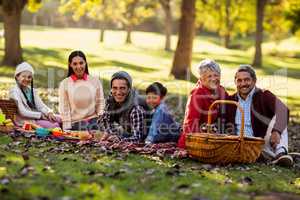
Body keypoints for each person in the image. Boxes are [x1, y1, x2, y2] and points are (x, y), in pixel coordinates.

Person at [225, 65, 293, 167]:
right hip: (239, 143)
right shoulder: (230, 100)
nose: (243, 84)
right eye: (239, 80)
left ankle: (280, 154)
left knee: (280, 120)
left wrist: (276, 131)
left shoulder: (264, 95)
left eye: (247, 80)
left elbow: (283, 110)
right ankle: (266, 157)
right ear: (235, 82)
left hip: (260, 142)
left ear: (254, 80)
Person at [178, 59, 228, 148]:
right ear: (201, 79)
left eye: (216, 75)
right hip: (199, 138)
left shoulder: (221, 90)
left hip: (215, 135)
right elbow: (191, 122)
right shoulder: (197, 94)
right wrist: (192, 143)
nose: (213, 79)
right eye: (209, 76)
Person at [58, 50, 105, 130]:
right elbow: (64, 108)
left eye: (81, 63)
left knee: (100, 129)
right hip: (76, 122)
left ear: (85, 63)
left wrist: (101, 117)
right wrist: (67, 128)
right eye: (75, 64)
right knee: (85, 129)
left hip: (93, 119)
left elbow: (100, 102)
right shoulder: (65, 83)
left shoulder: (95, 81)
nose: (79, 67)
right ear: (70, 65)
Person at [9, 62, 61, 128]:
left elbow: (41, 106)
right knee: (55, 125)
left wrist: (48, 112)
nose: (27, 79)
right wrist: (40, 115)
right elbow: (23, 112)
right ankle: (61, 133)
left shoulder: (32, 91)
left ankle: (71, 133)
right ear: (17, 77)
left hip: (37, 116)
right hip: (27, 121)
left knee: (62, 119)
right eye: (24, 76)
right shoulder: (14, 91)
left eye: (29, 77)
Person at [99, 71, 146, 142]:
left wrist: (119, 139)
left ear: (129, 89)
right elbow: (104, 120)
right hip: (127, 130)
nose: (118, 92)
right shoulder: (111, 98)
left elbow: (138, 138)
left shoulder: (136, 108)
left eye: (122, 88)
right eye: (115, 88)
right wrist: (110, 133)